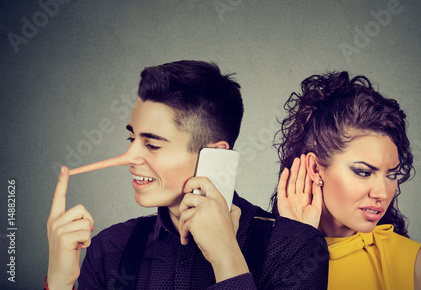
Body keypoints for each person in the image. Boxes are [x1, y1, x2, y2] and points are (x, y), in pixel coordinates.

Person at [45, 60, 328, 289]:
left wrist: (226, 258)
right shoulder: (109, 249)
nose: (129, 159)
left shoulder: (295, 248)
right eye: (132, 139)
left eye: (152, 144)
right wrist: (60, 282)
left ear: (215, 154)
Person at [270, 71, 421, 289]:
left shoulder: (418, 268)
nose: (382, 193)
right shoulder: (260, 256)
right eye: (363, 172)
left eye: (391, 175)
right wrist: (295, 242)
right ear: (315, 168)